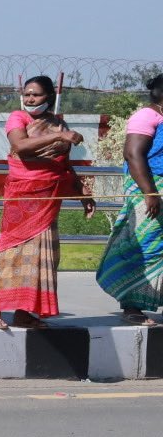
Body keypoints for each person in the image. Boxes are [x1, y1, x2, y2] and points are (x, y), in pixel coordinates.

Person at [0, 75, 91, 329]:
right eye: (27, 94)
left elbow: (63, 164)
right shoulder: (18, 117)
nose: (30, 99)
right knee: (10, 253)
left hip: (48, 197)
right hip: (22, 195)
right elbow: (20, 146)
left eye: (36, 95)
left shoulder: (58, 124)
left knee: (40, 257)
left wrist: (82, 193)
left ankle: (24, 312)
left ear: (50, 98)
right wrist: (61, 137)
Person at [96, 75, 163, 323]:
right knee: (143, 247)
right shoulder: (147, 116)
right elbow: (133, 154)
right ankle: (131, 304)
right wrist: (150, 193)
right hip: (151, 189)